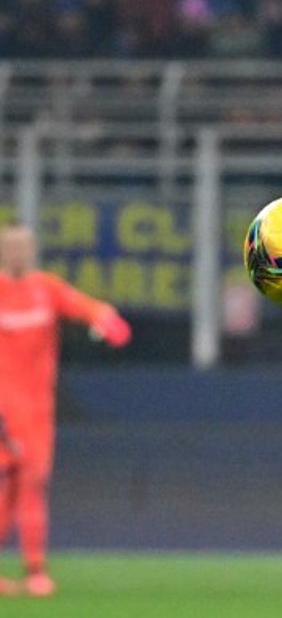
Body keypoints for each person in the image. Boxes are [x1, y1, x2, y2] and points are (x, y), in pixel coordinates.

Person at [0, 223, 132, 597]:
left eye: (23, 246)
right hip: (4, 410)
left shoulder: (46, 289)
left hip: (38, 409)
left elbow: (90, 308)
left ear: (32, 250)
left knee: (18, 487)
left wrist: (107, 321)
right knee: (24, 484)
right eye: (11, 246)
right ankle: (36, 571)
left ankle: (33, 571)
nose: (17, 252)